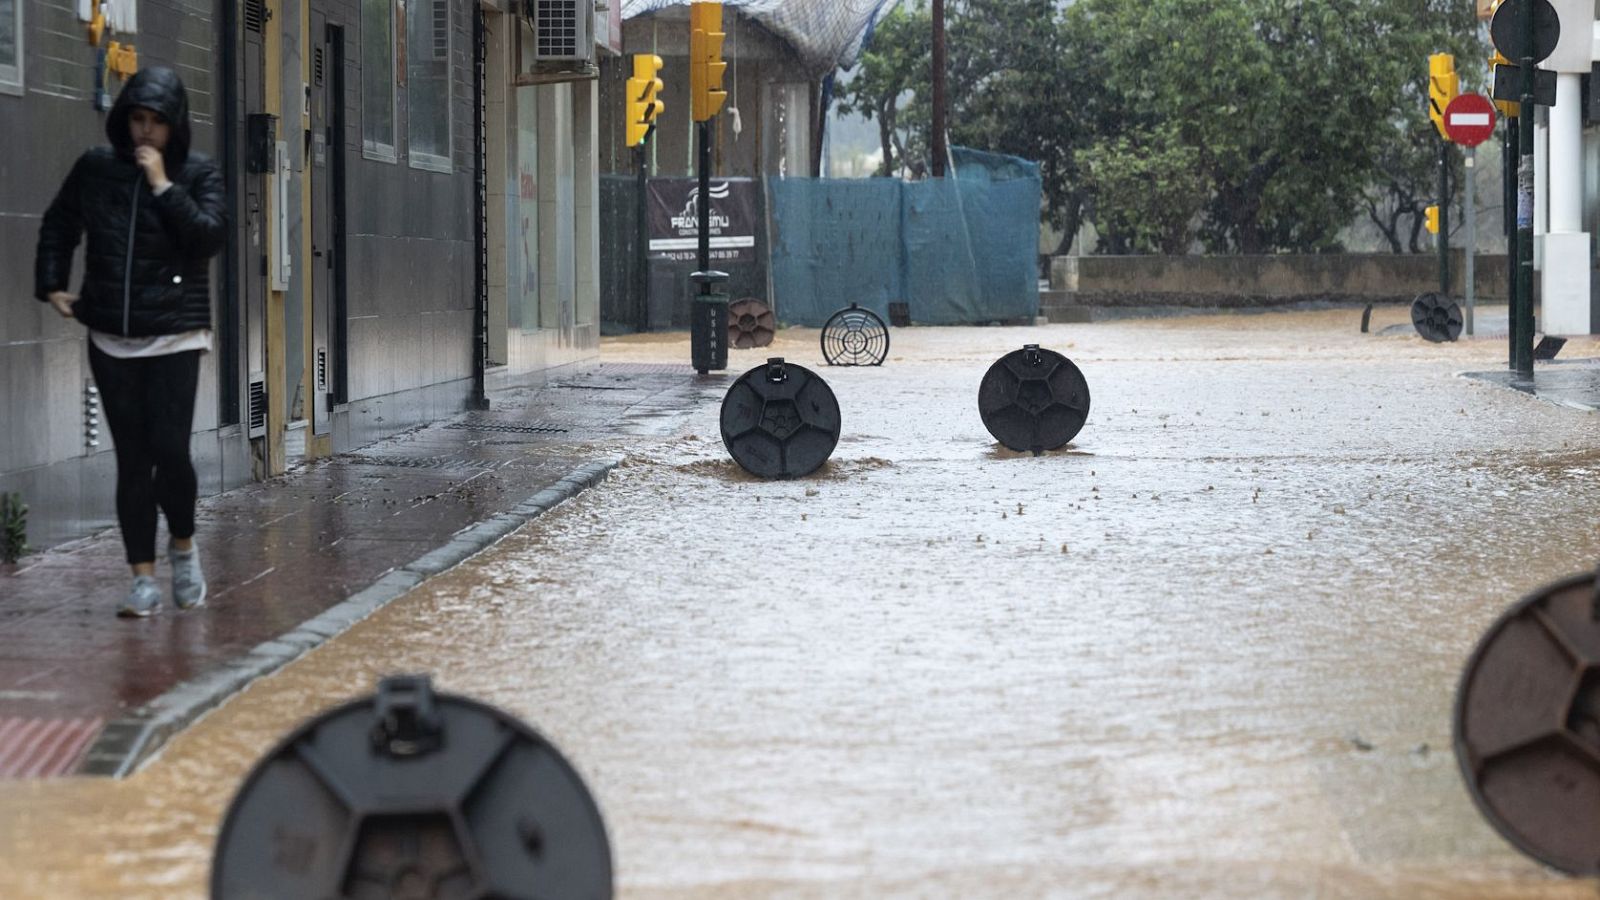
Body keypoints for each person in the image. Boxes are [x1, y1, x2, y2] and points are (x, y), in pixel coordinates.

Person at [33, 67, 227, 618]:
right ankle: (142, 579)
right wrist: (52, 284)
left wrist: (164, 185)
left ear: (175, 127)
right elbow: (59, 222)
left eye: (157, 123)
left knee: (171, 452)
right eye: (138, 120)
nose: (145, 133)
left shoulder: (197, 172)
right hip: (111, 336)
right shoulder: (97, 169)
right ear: (124, 119)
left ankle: (184, 549)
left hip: (175, 335)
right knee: (133, 461)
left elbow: (209, 236)